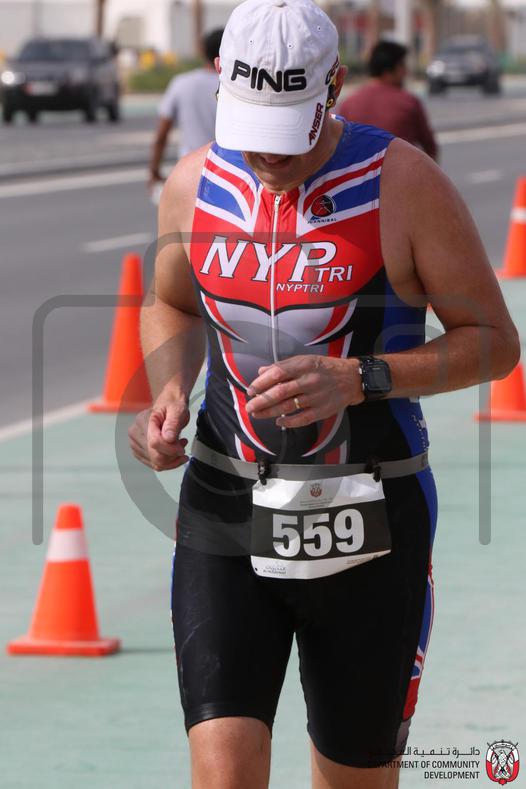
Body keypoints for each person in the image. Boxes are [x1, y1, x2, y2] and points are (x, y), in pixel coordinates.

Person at [128, 0, 519, 787]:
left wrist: (362, 377)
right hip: (225, 503)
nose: (269, 154)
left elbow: (493, 342)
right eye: (253, 127)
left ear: (334, 86)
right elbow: (171, 301)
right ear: (220, 82)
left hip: (369, 511)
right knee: (222, 772)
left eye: (290, 130)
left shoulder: (402, 182)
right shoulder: (195, 183)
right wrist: (169, 388)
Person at [148, 28, 223, 193]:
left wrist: (154, 171)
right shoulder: (237, 86)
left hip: (188, 173)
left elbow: (161, 134)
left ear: (202, 51)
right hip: (228, 173)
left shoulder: (181, 83)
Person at [338, 40, 439, 161]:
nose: (406, 72)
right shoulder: (409, 102)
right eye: (402, 66)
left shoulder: (348, 104)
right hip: (400, 170)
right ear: (389, 71)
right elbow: (430, 148)